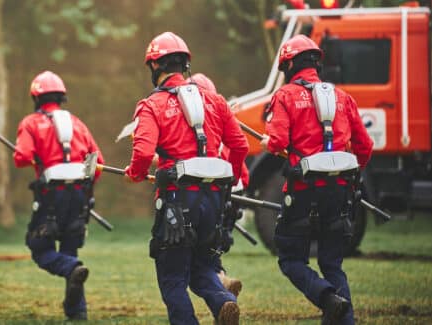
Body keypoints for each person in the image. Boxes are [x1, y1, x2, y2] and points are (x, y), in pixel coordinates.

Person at [125, 32, 246, 325]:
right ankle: (223, 302)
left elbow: (142, 153)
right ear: (185, 65)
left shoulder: (151, 105)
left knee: (172, 277)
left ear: (155, 67)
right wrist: (225, 183)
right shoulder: (215, 101)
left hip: (178, 203)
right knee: (202, 266)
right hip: (214, 201)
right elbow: (240, 146)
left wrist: (136, 174)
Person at [262, 35, 373, 325]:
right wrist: (352, 176)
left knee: (291, 260)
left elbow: (276, 143)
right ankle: (343, 318)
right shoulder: (343, 97)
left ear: (288, 66)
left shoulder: (284, 96)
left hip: (303, 192)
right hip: (341, 192)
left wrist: (267, 142)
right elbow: (365, 146)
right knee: (332, 263)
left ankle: (326, 298)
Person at [14, 70, 103, 321]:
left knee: (39, 247)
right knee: (69, 249)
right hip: (79, 196)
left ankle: (70, 268)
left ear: (36, 98)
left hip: (51, 196)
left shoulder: (30, 123)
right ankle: (78, 312)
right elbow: (97, 162)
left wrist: (37, 156)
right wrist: (84, 189)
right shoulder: (78, 123)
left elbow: (21, 157)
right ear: (61, 97)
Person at [187, 73, 247, 297]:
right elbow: (244, 173)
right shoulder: (219, 123)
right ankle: (221, 279)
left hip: (210, 197)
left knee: (196, 259)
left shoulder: (195, 131)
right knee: (211, 252)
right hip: (227, 199)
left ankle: (221, 284)